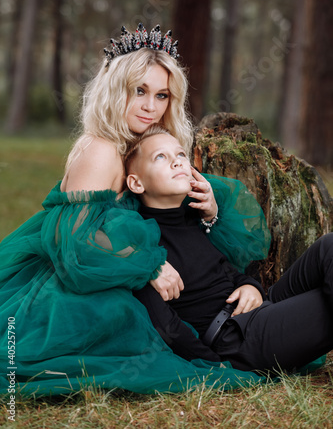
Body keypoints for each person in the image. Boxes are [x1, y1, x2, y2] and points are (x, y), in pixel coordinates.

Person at [0, 23, 271, 397]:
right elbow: (73, 244)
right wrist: (147, 264)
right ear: (115, 89)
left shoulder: (135, 141)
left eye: (161, 95)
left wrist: (209, 211)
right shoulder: (101, 149)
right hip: (76, 284)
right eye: (139, 91)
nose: (150, 107)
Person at [125, 125, 333, 374]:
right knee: (323, 304)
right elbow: (164, 323)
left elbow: (225, 271)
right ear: (136, 183)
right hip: (234, 339)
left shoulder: (192, 218)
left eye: (180, 155)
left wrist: (250, 286)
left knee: (329, 245)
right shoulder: (142, 244)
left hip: (259, 308)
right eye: (161, 157)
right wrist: (216, 364)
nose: (177, 162)